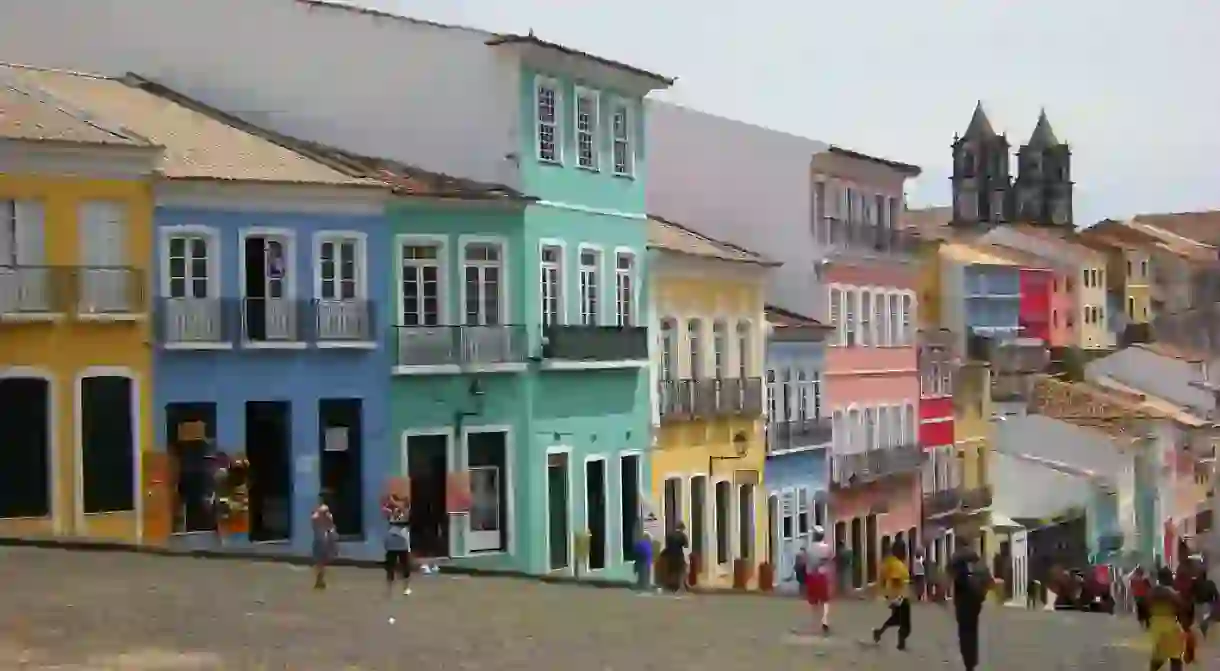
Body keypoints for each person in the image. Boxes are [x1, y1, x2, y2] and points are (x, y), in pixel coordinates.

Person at [950, 536, 992, 671]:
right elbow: (986, 577)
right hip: (975, 599)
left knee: (964, 631)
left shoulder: (956, 558)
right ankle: (972, 660)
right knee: (973, 630)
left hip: (962, 600)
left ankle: (967, 660)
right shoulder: (975, 557)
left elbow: (948, 576)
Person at [871, 539, 911, 651]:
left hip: (895, 597)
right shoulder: (896, 564)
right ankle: (901, 642)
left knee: (896, 619)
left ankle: (879, 632)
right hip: (900, 597)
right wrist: (898, 596)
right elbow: (895, 580)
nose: (905, 553)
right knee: (905, 624)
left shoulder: (890, 562)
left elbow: (884, 579)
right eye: (904, 550)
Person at [1148, 567, 1186, 671]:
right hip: (1169, 626)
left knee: (1158, 657)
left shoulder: (1153, 591)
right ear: (1168, 578)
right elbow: (1180, 605)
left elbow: (1147, 604)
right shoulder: (1170, 592)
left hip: (1156, 626)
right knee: (1175, 658)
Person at [805, 526, 834, 634]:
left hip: (812, 576)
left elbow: (807, 562)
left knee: (814, 601)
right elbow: (830, 560)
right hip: (823, 575)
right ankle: (824, 620)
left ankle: (815, 621)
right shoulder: (827, 548)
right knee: (825, 600)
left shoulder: (809, 549)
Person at [382, 492, 412, 597]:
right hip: (391, 542)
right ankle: (389, 589)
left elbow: (406, 513)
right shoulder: (392, 512)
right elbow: (384, 511)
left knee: (405, 566)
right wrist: (388, 503)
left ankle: (406, 587)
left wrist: (395, 502)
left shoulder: (406, 512)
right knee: (390, 566)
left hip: (403, 542)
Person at [310, 494, 337, 590]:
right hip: (321, 537)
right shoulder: (323, 511)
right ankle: (320, 580)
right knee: (320, 560)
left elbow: (329, 525)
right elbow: (330, 526)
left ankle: (320, 580)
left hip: (321, 537)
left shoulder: (323, 510)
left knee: (319, 559)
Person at [661, 522, 689, 592]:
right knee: (681, 570)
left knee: (670, 571)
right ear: (682, 528)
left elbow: (667, 545)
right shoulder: (682, 535)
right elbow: (686, 546)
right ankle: (681, 585)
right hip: (678, 555)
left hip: (670, 555)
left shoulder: (670, 535)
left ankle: (666, 586)